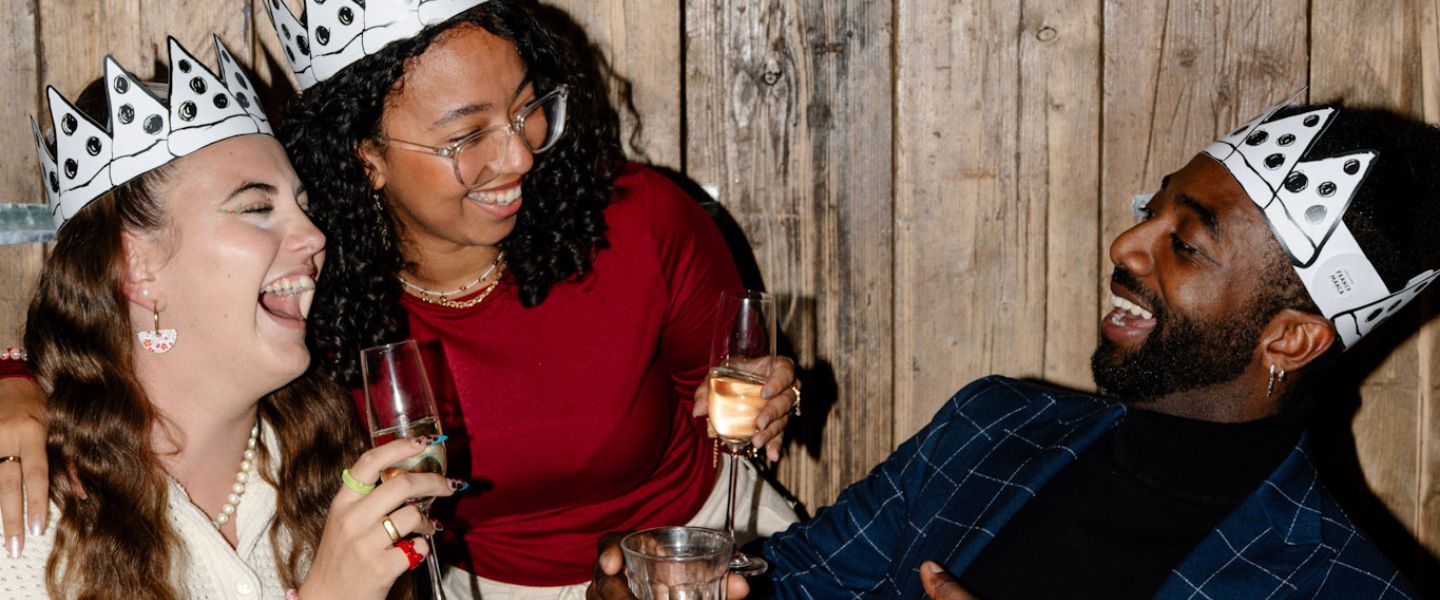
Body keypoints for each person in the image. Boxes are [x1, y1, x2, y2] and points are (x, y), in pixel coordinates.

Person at [0, 1, 801, 597]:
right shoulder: (326, 306)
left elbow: (733, 388)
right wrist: (17, 387)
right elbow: (114, 345)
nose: (518, 154)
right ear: (367, 160)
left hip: (697, 554)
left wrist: (768, 396)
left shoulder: (640, 221)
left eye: (526, 109)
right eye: (465, 135)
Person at [592, 102, 1437, 599]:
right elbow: (803, 580)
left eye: (1187, 245)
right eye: (1156, 206)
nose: (1126, 242)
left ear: (1290, 337)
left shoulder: (1338, 583)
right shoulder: (993, 423)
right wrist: (663, 584)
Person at [0, 37, 458, 598]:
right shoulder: (24, 512)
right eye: (257, 207)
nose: (314, 238)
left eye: (304, 206)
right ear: (135, 265)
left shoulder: (325, 465)